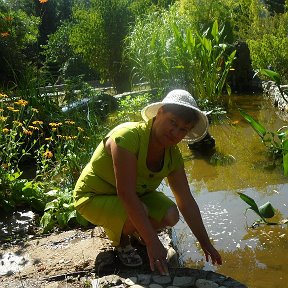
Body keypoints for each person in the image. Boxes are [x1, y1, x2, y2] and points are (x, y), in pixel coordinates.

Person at [73, 89, 222, 275]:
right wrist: (153, 241)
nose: (175, 132)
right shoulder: (128, 137)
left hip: (137, 197)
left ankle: (134, 229)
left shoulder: (173, 155)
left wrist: (205, 243)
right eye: (172, 122)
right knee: (140, 210)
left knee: (170, 215)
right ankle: (121, 241)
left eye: (183, 129)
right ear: (160, 113)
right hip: (94, 197)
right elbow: (126, 194)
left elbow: (186, 200)